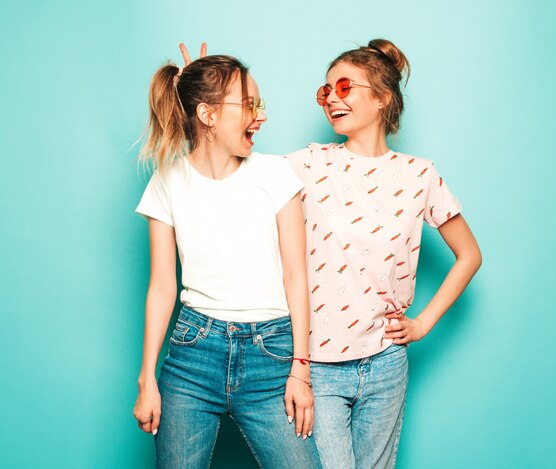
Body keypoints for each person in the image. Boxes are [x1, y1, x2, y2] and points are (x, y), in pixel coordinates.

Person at [284, 38, 482, 468]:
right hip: (316, 365)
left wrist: (423, 323)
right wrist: (199, 101)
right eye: (325, 91)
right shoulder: (306, 164)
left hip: (385, 363)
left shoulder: (420, 174)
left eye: (343, 86)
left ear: (381, 98)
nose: (332, 99)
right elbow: (227, 170)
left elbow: (469, 255)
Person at [132, 53, 320, 468]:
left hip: (270, 356)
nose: (261, 116)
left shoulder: (275, 175)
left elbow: (295, 276)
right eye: (250, 105)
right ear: (208, 114)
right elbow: (162, 286)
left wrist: (300, 370)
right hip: (193, 358)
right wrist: (148, 379)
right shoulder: (167, 182)